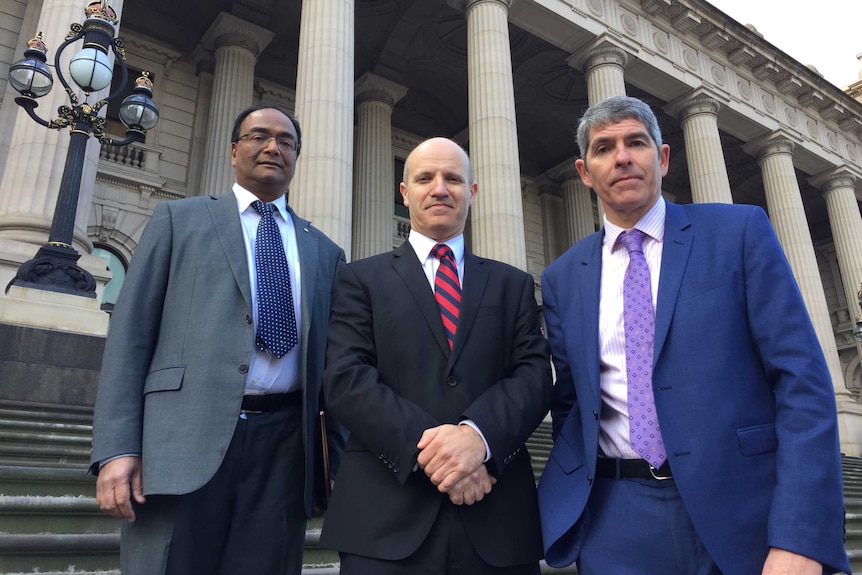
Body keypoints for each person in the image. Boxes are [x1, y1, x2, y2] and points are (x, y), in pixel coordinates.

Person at [537, 94, 850, 575]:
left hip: (742, 510)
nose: (622, 157)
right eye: (604, 148)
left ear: (661, 158)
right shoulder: (563, 277)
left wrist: (801, 537)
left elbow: (802, 384)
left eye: (636, 142)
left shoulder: (738, 232)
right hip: (617, 520)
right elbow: (571, 403)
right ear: (584, 172)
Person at [89, 101, 347, 575]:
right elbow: (131, 338)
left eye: (286, 141)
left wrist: (333, 467)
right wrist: (117, 448)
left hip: (285, 450)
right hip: (181, 442)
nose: (273, 147)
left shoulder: (325, 251)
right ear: (233, 151)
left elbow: (333, 365)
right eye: (259, 136)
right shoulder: (178, 220)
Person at [319, 137, 552, 574]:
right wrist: (446, 454)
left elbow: (534, 376)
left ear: (473, 192)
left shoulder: (513, 285)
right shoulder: (358, 279)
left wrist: (477, 439)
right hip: (385, 519)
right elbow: (347, 379)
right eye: (425, 178)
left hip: (496, 517)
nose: (440, 188)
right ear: (404, 193)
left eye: (454, 179)